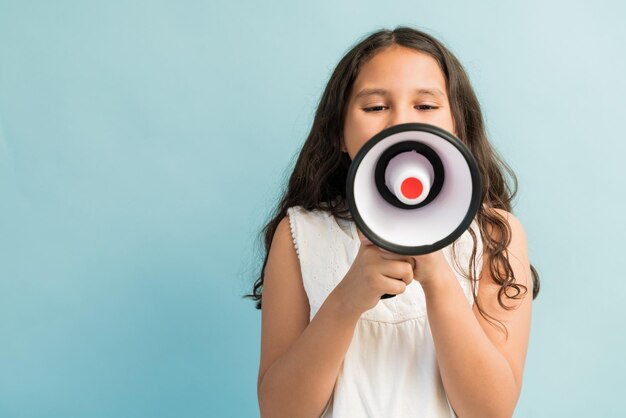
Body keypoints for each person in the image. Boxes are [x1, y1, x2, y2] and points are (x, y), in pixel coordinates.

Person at [246, 26, 541, 418]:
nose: (402, 123)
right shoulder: (300, 235)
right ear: (338, 132)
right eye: (374, 107)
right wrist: (347, 299)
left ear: (457, 125)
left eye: (425, 106)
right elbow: (279, 411)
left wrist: (437, 277)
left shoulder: (494, 236)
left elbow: (490, 410)